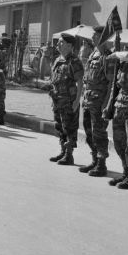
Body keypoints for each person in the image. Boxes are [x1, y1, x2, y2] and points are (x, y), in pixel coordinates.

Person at [78, 26, 114, 177]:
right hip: (89, 100)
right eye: (93, 35)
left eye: (96, 36)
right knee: (89, 131)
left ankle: (101, 164)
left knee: (99, 132)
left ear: (103, 38)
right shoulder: (93, 54)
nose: (92, 37)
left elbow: (111, 83)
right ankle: (94, 159)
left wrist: (107, 104)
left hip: (99, 102)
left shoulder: (108, 57)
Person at [48, 33, 84, 165]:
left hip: (69, 101)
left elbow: (80, 82)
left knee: (69, 127)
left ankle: (69, 155)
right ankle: (63, 151)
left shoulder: (74, 61)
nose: (58, 44)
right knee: (60, 126)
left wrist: (76, 101)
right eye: (58, 42)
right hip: (57, 100)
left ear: (69, 45)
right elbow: (54, 79)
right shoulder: (58, 60)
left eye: (61, 42)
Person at [103, 47, 128, 189]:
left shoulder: (127, 57)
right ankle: (126, 172)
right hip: (120, 106)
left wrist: (115, 54)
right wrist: (109, 106)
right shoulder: (125, 62)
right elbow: (116, 86)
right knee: (119, 143)